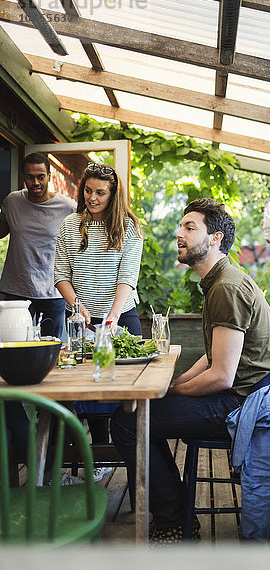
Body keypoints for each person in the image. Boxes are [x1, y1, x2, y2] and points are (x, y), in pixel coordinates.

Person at [111, 198, 270, 544]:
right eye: (181, 226)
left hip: (241, 403)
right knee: (139, 412)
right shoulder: (219, 281)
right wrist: (175, 383)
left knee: (128, 422)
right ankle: (174, 512)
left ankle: (173, 521)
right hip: (242, 393)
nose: (179, 233)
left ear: (215, 238)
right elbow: (212, 357)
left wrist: (171, 392)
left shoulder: (226, 288)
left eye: (190, 227)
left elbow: (222, 376)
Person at [54, 162, 143, 482]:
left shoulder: (129, 227)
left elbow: (127, 278)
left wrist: (112, 318)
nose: (93, 197)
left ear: (114, 193)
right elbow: (61, 275)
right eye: (88, 191)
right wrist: (78, 307)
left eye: (101, 193)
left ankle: (133, 464)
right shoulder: (69, 225)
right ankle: (88, 457)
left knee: (125, 395)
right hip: (80, 321)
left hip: (120, 318)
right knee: (79, 390)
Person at [0, 152, 76, 338]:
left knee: (51, 349)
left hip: (53, 291)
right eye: (30, 177)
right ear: (23, 177)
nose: (35, 182)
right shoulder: (12, 201)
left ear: (49, 176)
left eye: (40, 177)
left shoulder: (67, 207)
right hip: (16, 289)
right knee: (12, 346)